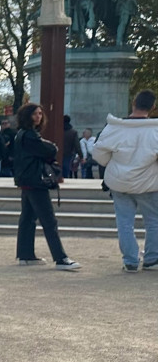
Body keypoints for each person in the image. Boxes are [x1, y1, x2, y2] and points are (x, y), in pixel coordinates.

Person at [12, 101, 81, 271]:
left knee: (27, 219)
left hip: (27, 180)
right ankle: (60, 258)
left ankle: (26, 254)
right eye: (35, 114)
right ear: (27, 116)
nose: (38, 117)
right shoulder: (30, 135)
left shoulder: (21, 134)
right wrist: (52, 147)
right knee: (48, 221)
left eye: (40, 114)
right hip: (36, 181)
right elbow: (49, 150)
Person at [93, 90, 158, 271]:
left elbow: (99, 154)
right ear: (152, 107)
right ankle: (152, 259)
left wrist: (112, 164)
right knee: (153, 222)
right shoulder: (155, 130)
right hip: (148, 183)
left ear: (133, 103)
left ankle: (130, 260)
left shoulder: (114, 127)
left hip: (119, 181)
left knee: (124, 222)